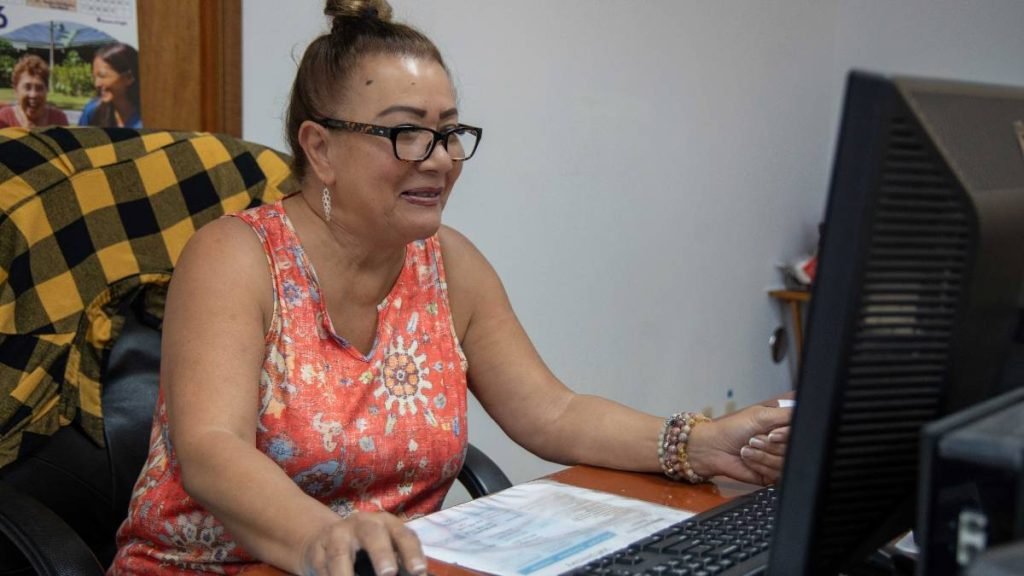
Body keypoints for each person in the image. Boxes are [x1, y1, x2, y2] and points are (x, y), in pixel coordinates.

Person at [109, 1, 792, 574]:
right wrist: (323, 536)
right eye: (407, 133)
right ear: (319, 149)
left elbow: (550, 412)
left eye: (449, 132)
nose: (439, 159)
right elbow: (210, 450)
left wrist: (698, 443)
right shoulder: (234, 258)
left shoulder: (447, 264)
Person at [78, 42, 141, 128]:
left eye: (102, 76)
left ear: (128, 78)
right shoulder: (92, 112)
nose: (96, 84)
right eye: (94, 77)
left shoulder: (150, 119)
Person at [0, 54, 69, 128]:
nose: (33, 95)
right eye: (27, 87)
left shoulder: (58, 120)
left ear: (46, 90)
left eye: (39, 88)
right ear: (16, 90)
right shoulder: (4, 119)